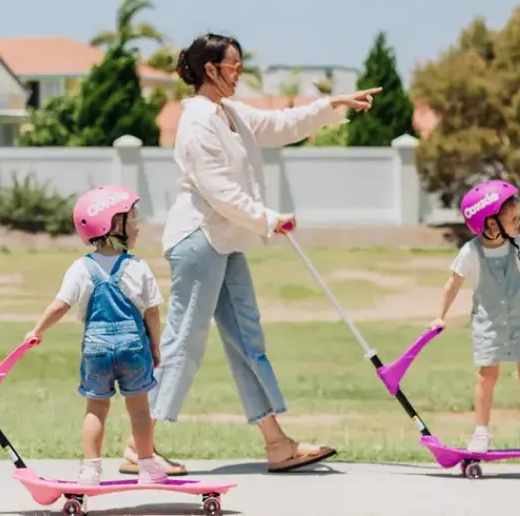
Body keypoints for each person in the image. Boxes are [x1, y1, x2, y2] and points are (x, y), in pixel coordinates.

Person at [120, 32, 381, 476]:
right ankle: (138, 448)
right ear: (210, 70)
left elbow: (281, 126)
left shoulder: (231, 113)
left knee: (247, 342)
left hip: (228, 242)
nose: (239, 72)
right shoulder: (197, 121)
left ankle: (277, 444)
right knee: (184, 343)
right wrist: (266, 217)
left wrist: (332, 105)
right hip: (199, 241)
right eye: (233, 65)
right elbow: (216, 188)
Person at [25, 186, 171, 487]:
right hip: (134, 347)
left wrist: (38, 330)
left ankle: (90, 470)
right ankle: (146, 466)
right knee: (140, 409)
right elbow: (152, 314)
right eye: (132, 220)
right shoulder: (137, 267)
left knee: (96, 409)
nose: (137, 225)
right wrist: (155, 347)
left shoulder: (80, 268)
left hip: (97, 349)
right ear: (113, 225)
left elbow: (60, 305)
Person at [430, 179, 520, 455]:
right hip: (488, 324)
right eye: (514, 219)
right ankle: (481, 434)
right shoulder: (471, 252)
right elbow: (453, 284)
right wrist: (439, 316)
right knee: (486, 377)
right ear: (491, 224)